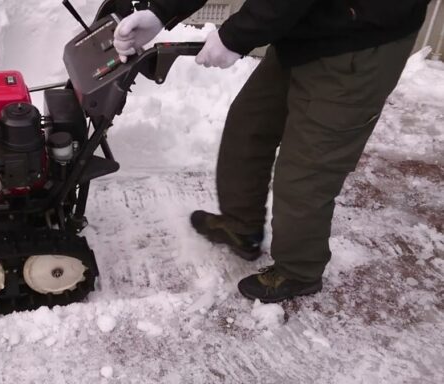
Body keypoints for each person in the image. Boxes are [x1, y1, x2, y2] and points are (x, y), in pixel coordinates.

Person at [114, 0, 431, 302]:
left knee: (307, 168)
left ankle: (300, 270)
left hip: (361, 38)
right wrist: (159, 12)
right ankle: (242, 227)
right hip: (309, 23)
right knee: (249, 123)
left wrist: (236, 36)